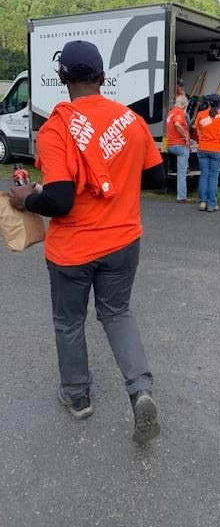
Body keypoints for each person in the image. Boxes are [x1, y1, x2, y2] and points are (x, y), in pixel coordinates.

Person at [9, 40, 165, 444]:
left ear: (62, 78)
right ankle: (140, 390)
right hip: (123, 242)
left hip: (73, 251)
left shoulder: (56, 127)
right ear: (102, 77)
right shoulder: (130, 121)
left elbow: (59, 201)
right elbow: (156, 178)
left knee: (69, 322)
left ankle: (78, 396)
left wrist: (27, 197)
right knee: (117, 314)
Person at [194, 94, 220, 212]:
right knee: (213, 177)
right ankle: (212, 204)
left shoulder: (200, 115)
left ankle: (202, 202)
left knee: (204, 175)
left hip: (203, 148)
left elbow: (198, 133)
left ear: (208, 103)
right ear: (219, 104)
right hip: (216, 149)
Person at [166, 94, 190, 203]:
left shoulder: (170, 113)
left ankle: (181, 194)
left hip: (170, 145)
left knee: (180, 170)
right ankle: (181, 196)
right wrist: (185, 135)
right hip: (179, 145)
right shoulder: (179, 112)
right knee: (182, 172)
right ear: (184, 105)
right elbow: (177, 124)